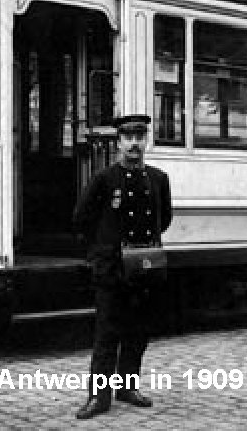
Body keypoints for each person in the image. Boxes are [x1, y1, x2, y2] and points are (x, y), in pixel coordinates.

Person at [73, 114, 173, 419]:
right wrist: (105, 248)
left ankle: (127, 387)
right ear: (119, 142)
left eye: (140, 137)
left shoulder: (158, 178)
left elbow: (164, 219)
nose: (134, 144)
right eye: (128, 138)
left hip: (143, 267)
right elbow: (81, 218)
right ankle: (98, 397)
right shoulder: (105, 179)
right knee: (107, 334)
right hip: (113, 269)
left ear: (146, 141)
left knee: (138, 331)